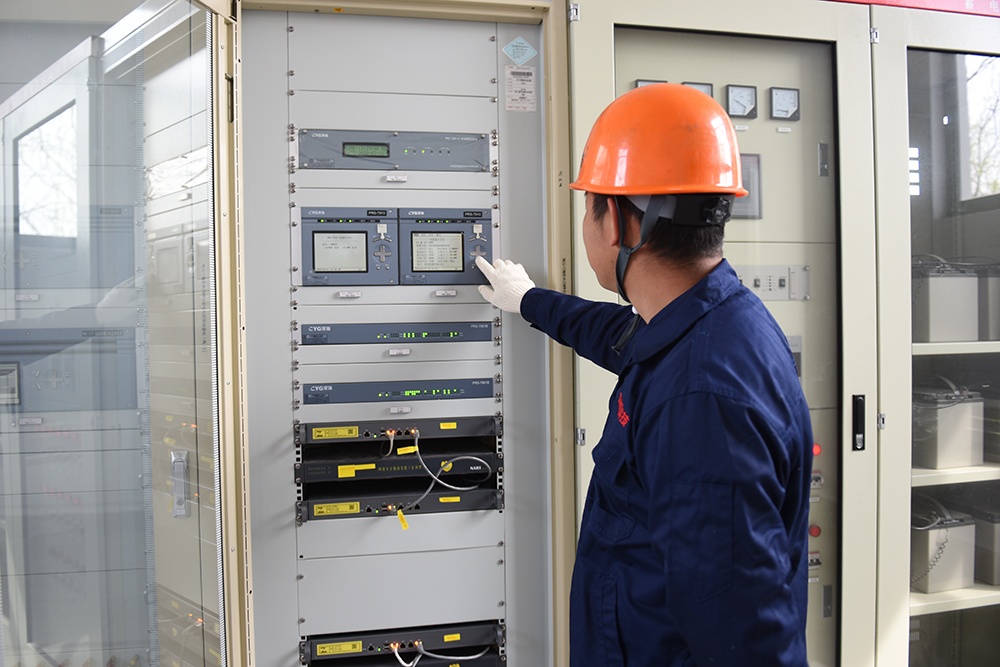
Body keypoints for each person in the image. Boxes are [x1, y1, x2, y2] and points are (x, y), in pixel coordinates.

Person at [475, 83, 813, 666]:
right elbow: (619, 336)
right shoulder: (711, 322)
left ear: (616, 223)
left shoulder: (701, 399)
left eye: (588, 205)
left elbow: (746, 639)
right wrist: (529, 300)